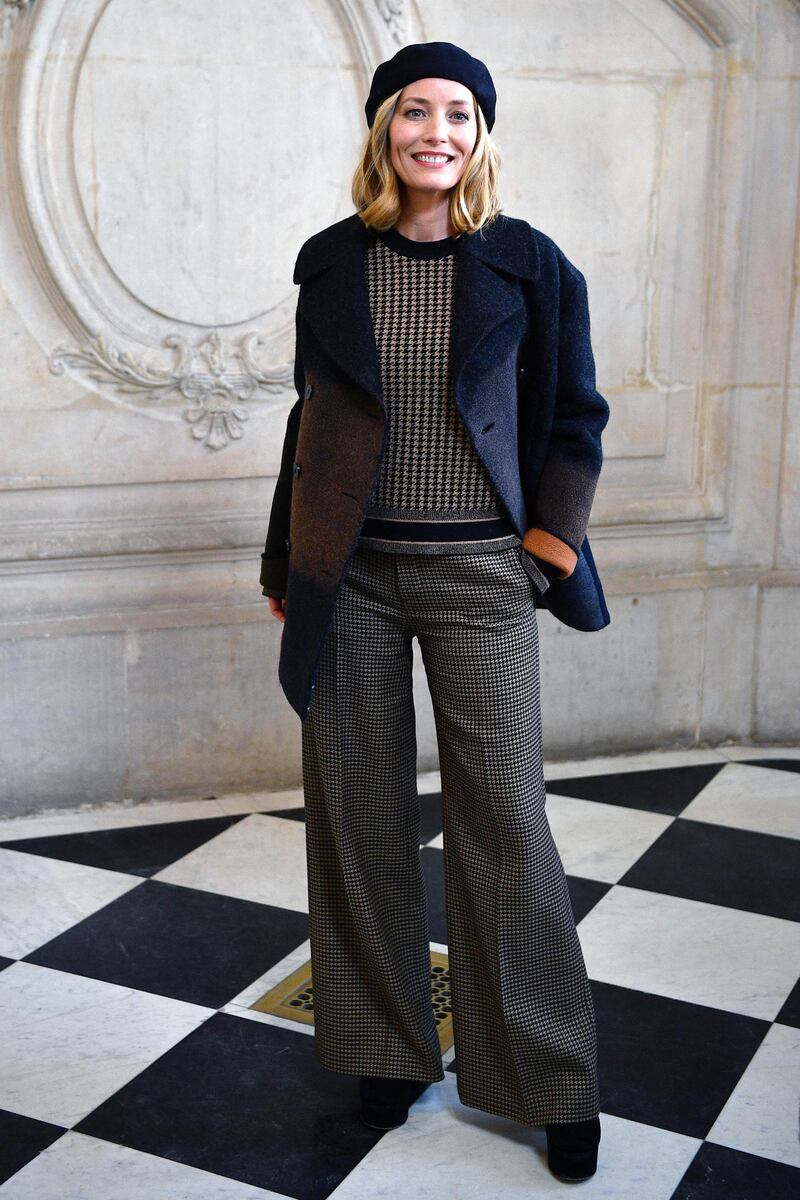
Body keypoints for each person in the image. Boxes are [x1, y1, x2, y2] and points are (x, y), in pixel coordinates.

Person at [261, 41, 609, 1183]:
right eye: (415, 111)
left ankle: (547, 1080)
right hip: (349, 576)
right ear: (383, 130)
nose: (436, 132)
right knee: (354, 816)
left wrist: (547, 550)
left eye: (458, 113)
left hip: (481, 578)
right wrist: (287, 563)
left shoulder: (529, 266)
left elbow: (573, 417)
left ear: (479, 134)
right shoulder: (331, 263)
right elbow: (309, 426)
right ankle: (385, 1054)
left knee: (502, 823)